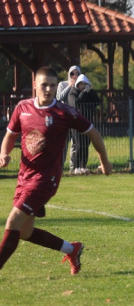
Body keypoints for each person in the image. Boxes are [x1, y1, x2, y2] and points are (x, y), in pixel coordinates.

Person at [0, 66, 112, 274]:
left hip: (46, 179)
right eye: (44, 85)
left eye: (52, 85)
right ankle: (71, 249)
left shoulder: (64, 112)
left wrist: (104, 161)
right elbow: (10, 134)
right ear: (35, 85)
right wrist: (4, 154)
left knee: (13, 220)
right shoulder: (22, 108)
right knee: (24, 231)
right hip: (24, 177)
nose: (49, 89)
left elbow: (93, 133)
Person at [66, 75, 101, 174]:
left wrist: (90, 91)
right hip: (76, 123)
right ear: (78, 84)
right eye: (81, 84)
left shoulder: (89, 93)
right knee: (78, 144)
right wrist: (84, 92)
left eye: (85, 84)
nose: (83, 86)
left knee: (85, 145)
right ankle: (76, 167)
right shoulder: (72, 93)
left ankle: (83, 166)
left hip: (87, 122)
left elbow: (97, 101)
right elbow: (77, 103)